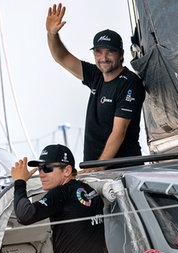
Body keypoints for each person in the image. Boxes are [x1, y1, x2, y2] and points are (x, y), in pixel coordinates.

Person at [46, 3, 145, 171]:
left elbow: (119, 132)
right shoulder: (96, 75)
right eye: (98, 52)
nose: (103, 58)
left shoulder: (129, 82)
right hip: (96, 169)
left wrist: (99, 167)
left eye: (109, 52)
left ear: (121, 55)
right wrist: (51, 34)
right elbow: (61, 57)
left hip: (124, 171)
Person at [11, 144, 110, 253]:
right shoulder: (91, 193)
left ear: (67, 171)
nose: (41, 174)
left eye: (48, 168)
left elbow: (25, 215)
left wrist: (20, 182)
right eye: (39, 168)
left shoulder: (61, 192)